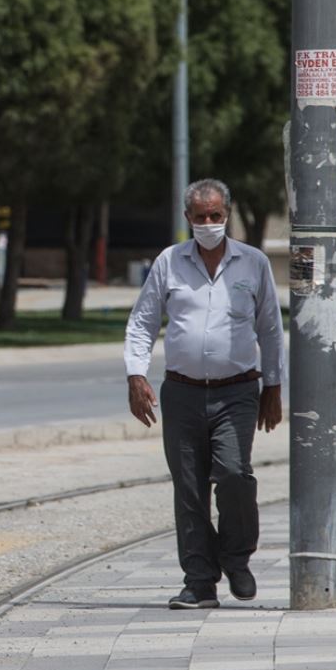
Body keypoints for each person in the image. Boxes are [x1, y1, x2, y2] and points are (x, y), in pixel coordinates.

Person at [124, 178, 283, 610]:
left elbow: (270, 327)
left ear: (226, 215)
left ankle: (236, 556)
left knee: (234, 475)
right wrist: (136, 376)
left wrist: (274, 384)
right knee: (189, 489)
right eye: (201, 216)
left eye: (216, 216)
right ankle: (199, 581)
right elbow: (142, 322)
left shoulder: (252, 263)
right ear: (188, 218)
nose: (209, 223)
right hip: (182, 392)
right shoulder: (169, 262)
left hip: (237, 391)